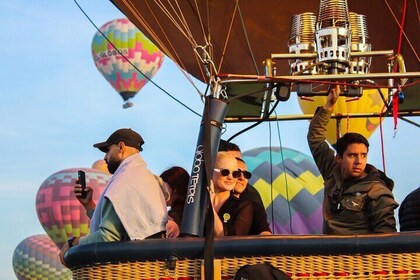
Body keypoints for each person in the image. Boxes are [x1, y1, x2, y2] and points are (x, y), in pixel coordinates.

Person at [60, 128, 168, 265]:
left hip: (128, 268)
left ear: (121, 147)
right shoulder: (144, 177)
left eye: (107, 151)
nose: (105, 157)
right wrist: (89, 205)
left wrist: (73, 243)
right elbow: (126, 222)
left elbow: (108, 238)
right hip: (150, 263)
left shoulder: (123, 184)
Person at [307, 85, 398, 234]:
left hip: (359, 256)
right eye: (352, 155)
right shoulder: (332, 171)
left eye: (363, 155)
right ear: (339, 158)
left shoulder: (377, 192)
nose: (359, 161)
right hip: (329, 255)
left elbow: (386, 238)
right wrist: (329, 106)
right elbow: (315, 139)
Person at [219, 140, 272, 235]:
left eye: (246, 174)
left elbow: (264, 232)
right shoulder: (200, 195)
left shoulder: (251, 197)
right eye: (230, 162)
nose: (240, 176)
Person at [209, 152, 254, 236]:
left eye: (235, 174)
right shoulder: (196, 202)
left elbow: (227, 239)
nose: (230, 177)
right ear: (210, 172)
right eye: (225, 172)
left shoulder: (243, 206)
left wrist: (210, 207)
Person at [159, 166, 190, 238]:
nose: (160, 191)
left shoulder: (173, 218)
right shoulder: (191, 214)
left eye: (163, 187)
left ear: (175, 189)